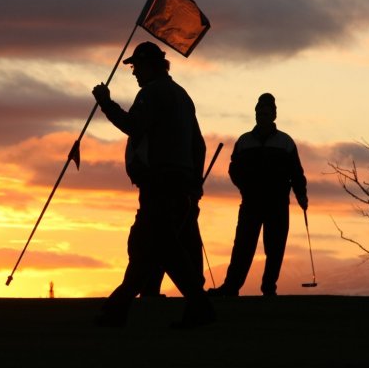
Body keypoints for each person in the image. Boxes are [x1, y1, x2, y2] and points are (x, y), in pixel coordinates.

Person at [91, 41, 214, 328]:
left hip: (160, 184)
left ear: (149, 66)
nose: (134, 73)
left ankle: (117, 310)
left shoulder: (151, 94)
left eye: (136, 67)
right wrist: (195, 184)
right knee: (158, 249)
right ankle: (119, 310)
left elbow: (133, 125)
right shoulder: (182, 96)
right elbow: (199, 144)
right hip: (179, 185)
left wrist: (106, 103)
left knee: (151, 247)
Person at [209, 92, 307, 297]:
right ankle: (231, 287)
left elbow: (296, 172)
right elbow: (233, 169)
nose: (261, 115)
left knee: (275, 247)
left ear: (274, 115)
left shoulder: (285, 142)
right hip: (251, 202)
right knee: (243, 246)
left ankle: (268, 288)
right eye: (259, 112)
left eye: (265, 112)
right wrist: (244, 187)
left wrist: (301, 196)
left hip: (277, 203)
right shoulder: (244, 142)